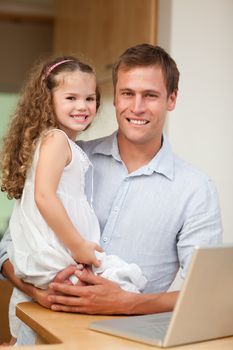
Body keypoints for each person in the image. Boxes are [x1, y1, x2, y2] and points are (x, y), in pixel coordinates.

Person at [0, 44, 222, 331]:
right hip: (36, 337)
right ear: (115, 98)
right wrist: (41, 294)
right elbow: (7, 250)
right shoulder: (69, 158)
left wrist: (126, 303)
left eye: (150, 95)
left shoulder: (195, 190)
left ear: (172, 98)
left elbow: (208, 295)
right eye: (127, 93)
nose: (137, 107)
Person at [0, 55, 147, 345]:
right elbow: (44, 197)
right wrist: (79, 246)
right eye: (71, 97)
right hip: (57, 262)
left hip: (48, 269)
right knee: (125, 281)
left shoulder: (53, 141)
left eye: (89, 98)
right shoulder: (57, 140)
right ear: (47, 100)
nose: (82, 106)